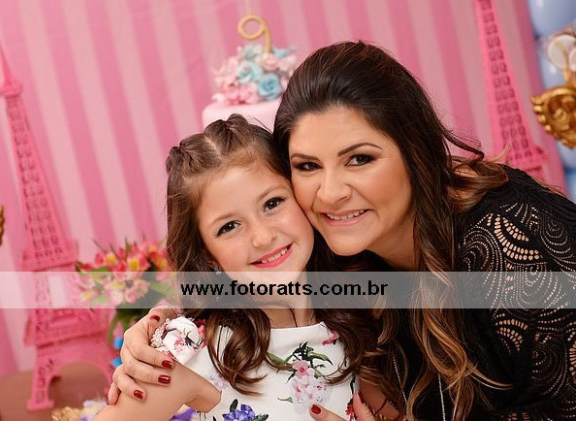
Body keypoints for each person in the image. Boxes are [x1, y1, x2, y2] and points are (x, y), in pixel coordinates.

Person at [109, 42, 576, 420]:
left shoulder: (506, 238)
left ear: (414, 149)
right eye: (308, 166)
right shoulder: (347, 270)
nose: (330, 193)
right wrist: (159, 334)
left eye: (360, 158)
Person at [95, 114, 382, 421]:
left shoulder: (359, 313)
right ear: (208, 255)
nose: (263, 237)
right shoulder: (194, 347)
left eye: (272, 203)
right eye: (229, 226)